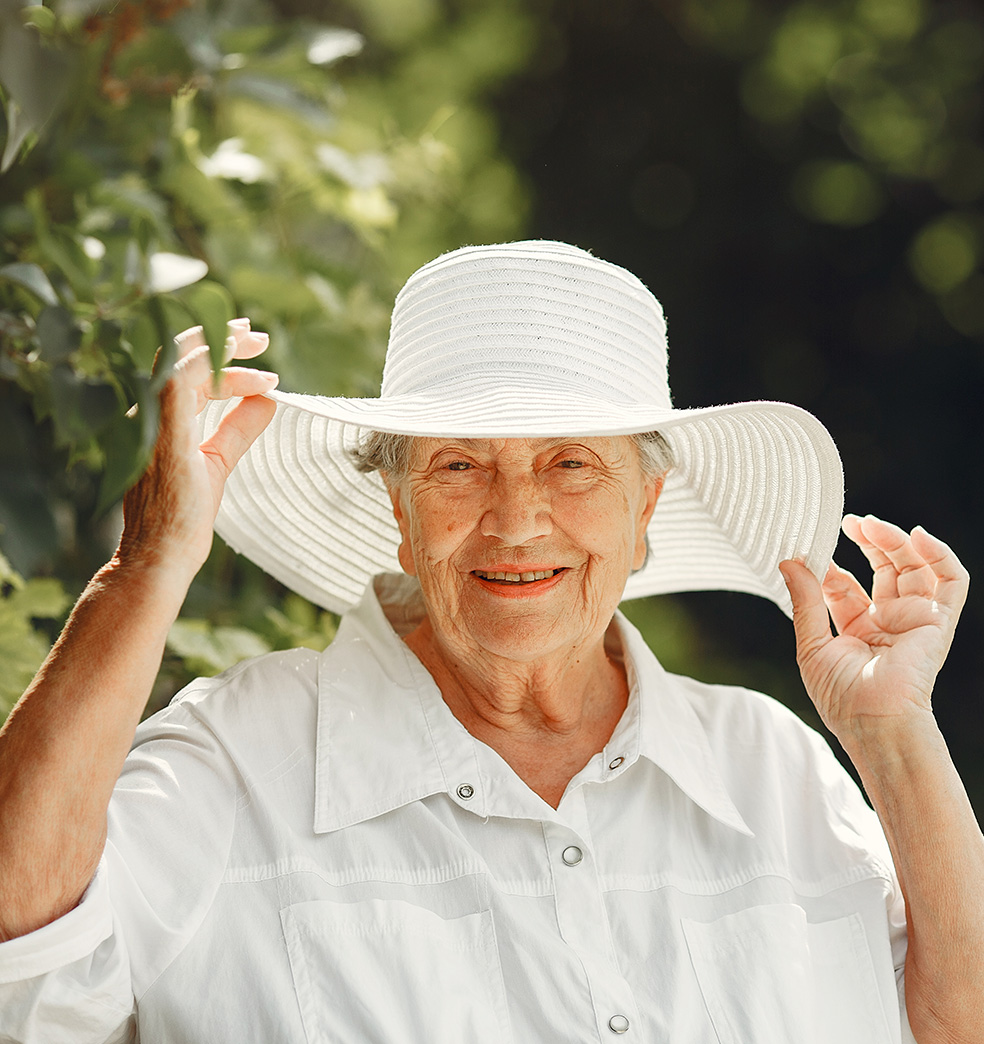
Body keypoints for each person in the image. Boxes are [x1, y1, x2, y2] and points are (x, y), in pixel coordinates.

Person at [0, 241, 980, 1042]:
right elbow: (18, 951)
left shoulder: (771, 769)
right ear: (400, 510)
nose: (517, 523)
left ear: (646, 509)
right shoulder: (237, 761)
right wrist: (147, 568)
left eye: (570, 464)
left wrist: (892, 736)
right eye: (461, 464)